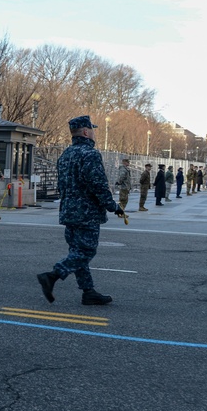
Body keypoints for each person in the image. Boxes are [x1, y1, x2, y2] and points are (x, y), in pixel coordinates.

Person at [36, 116, 124, 306]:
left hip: (69, 211)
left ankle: (88, 291)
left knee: (77, 252)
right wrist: (114, 207)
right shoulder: (90, 154)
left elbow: (61, 185)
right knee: (85, 252)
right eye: (92, 129)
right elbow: (98, 185)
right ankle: (52, 276)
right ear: (85, 132)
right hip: (87, 213)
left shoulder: (65, 155)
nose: (93, 132)